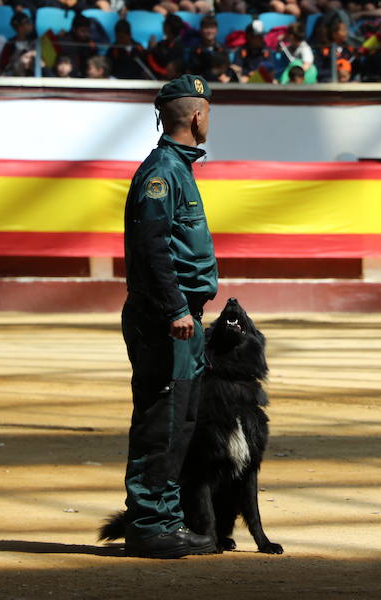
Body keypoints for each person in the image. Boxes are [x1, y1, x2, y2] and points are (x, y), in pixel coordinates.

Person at [121, 74, 219, 560]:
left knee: (179, 419)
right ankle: (150, 524)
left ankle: (164, 518)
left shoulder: (178, 169)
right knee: (164, 419)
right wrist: (176, 308)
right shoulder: (163, 172)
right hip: (168, 320)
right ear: (197, 117)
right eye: (209, 112)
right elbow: (151, 247)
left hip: (182, 319)